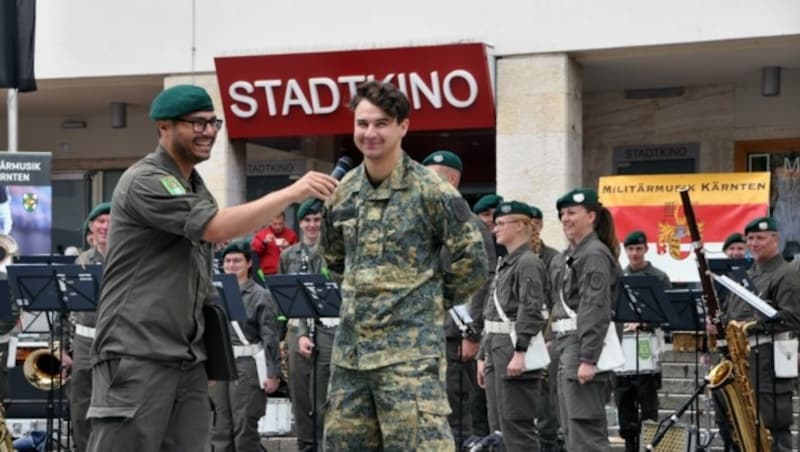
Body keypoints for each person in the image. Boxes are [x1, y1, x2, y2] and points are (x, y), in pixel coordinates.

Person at [86, 84, 337, 452]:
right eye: (196, 123)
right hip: (136, 354)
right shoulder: (146, 180)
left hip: (185, 359)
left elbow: (201, 280)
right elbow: (216, 227)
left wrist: (205, 356)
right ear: (164, 128)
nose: (207, 132)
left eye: (212, 122)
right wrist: (290, 193)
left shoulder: (194, 186)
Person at [319, 80, 488, 450]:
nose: (370, 133)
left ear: (403, 127)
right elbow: (332, 258)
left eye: (381, 123)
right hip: (351, 358)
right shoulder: (343, 193)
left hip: (409, 361)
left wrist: (424, 303)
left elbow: (473, 260)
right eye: (362, 124)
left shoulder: (432, 190)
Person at [422, 150, 494, 449]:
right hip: (427, 334)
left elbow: (483, 282)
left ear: (451, 179)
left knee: (458, 416)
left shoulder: (469, 224)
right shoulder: (427, 222)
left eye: (432, 177)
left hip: (455, 337)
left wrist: (472, 333)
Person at [551, 188, 621, 452]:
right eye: (562, 214)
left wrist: (588, 357)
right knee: (571, 428)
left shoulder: (593, 254)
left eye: (572, 212)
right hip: (568, 344)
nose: (565, 218)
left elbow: (595, 307)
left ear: (591, 216)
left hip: (581, 348)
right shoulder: (575, 253)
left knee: (585, 431)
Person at [723, 216, 800, 452]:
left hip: (769, 359)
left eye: (760, 238)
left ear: (775, 240)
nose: (754, 243)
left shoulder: (786, 274)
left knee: (772, 426)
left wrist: (747, 326)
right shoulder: (748, 274)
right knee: (740, 426)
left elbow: (792, 317)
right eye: (751, 238)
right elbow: (731, 312)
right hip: (743, 359)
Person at [477, 200, 548, 451]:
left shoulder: (528, 262)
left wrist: (520, 352)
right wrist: (482, 354)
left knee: (517, 425)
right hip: (497, 348)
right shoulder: (506, 262)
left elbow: (531, 310)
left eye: (501, 224)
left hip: (513, 348)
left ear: (519, 225)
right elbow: (491, 314)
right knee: (499, 426)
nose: (495, 229)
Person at [208, 240, 281, 452]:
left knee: (244, 427)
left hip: (247, 364)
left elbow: (270, 335)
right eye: (228, 261)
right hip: (221, 363)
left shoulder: (260, 295)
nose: (231, 265)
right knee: (219, 427)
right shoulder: (213, 293)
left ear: (249, 263)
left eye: (237, 260)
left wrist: (272, 372)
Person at [278, 198, 328, 452]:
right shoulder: (288, 255)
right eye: (307, 220)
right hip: (298, 331)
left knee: (323, 398)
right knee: (300, 395)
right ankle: (305, 446)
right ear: (299, 223)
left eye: (317, 220)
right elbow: (285, 299)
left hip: (326, 329)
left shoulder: (331, 251)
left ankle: (322, 445)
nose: (312, 225)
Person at [615, 230, 671, 452]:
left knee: (647, 401)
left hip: (648, 342)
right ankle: (629, 443)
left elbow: (668, 311)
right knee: (624, 399)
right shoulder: (620, 277)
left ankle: (649, 444)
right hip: (625, 345)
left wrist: (647, 322)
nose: (634, 253)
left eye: (638, 249)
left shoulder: (658, 277)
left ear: (646, 249)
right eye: (630, 249)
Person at [69, 202, 110, 452]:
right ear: (91, 228)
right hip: (84, 343)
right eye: (100, 221)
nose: (106, 226)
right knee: (81, 406)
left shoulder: (129, 258)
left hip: (120, 341)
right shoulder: (81, 262)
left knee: (115, 407)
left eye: (110, 221)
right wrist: (63, 349)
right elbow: (66, 309)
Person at [528, 204, 563, 452]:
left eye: (534, 223)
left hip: (545, 335)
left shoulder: (553, 258)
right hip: (521, 336)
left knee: (546, 401)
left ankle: (548, 444)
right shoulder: (513, 257)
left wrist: (549, 337)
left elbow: (556, 301)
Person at [252, 211, 298, 276]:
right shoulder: (261, 234)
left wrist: (288, 248)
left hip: (286, 272)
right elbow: (254, 252)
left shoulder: (291, 235)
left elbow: (297, 256)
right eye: (275, 224)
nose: (278, 227)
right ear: (270, 222)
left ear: (284, 222)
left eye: (280, 224)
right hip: (266, 273)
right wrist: (264, 242)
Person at [474, 193, 506, 258]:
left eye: (496, 214)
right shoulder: (471, 243)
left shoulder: (508, 242)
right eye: (486, 215)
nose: (492, 219)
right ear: (476, 218)